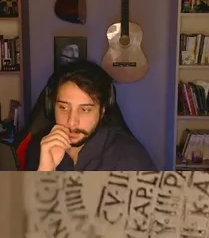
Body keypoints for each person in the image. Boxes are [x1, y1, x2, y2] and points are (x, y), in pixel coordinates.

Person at [25, 60, 156, 171]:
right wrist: (45, 170)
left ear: (102, 111)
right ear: (51, 106)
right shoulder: (40, 148)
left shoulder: (131, 157)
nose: (72, 122)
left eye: (85, 110)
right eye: (64, 108)